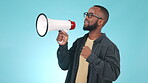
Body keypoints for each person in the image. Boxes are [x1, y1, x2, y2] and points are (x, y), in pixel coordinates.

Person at [56, 5, 120, 83]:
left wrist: (91, 57)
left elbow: (113, 74)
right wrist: (63, 45)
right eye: (86, 14)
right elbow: (64, 65)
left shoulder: (109, 47)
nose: (86, 17)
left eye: (90, 15)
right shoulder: (79, 42)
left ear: (100, 21)